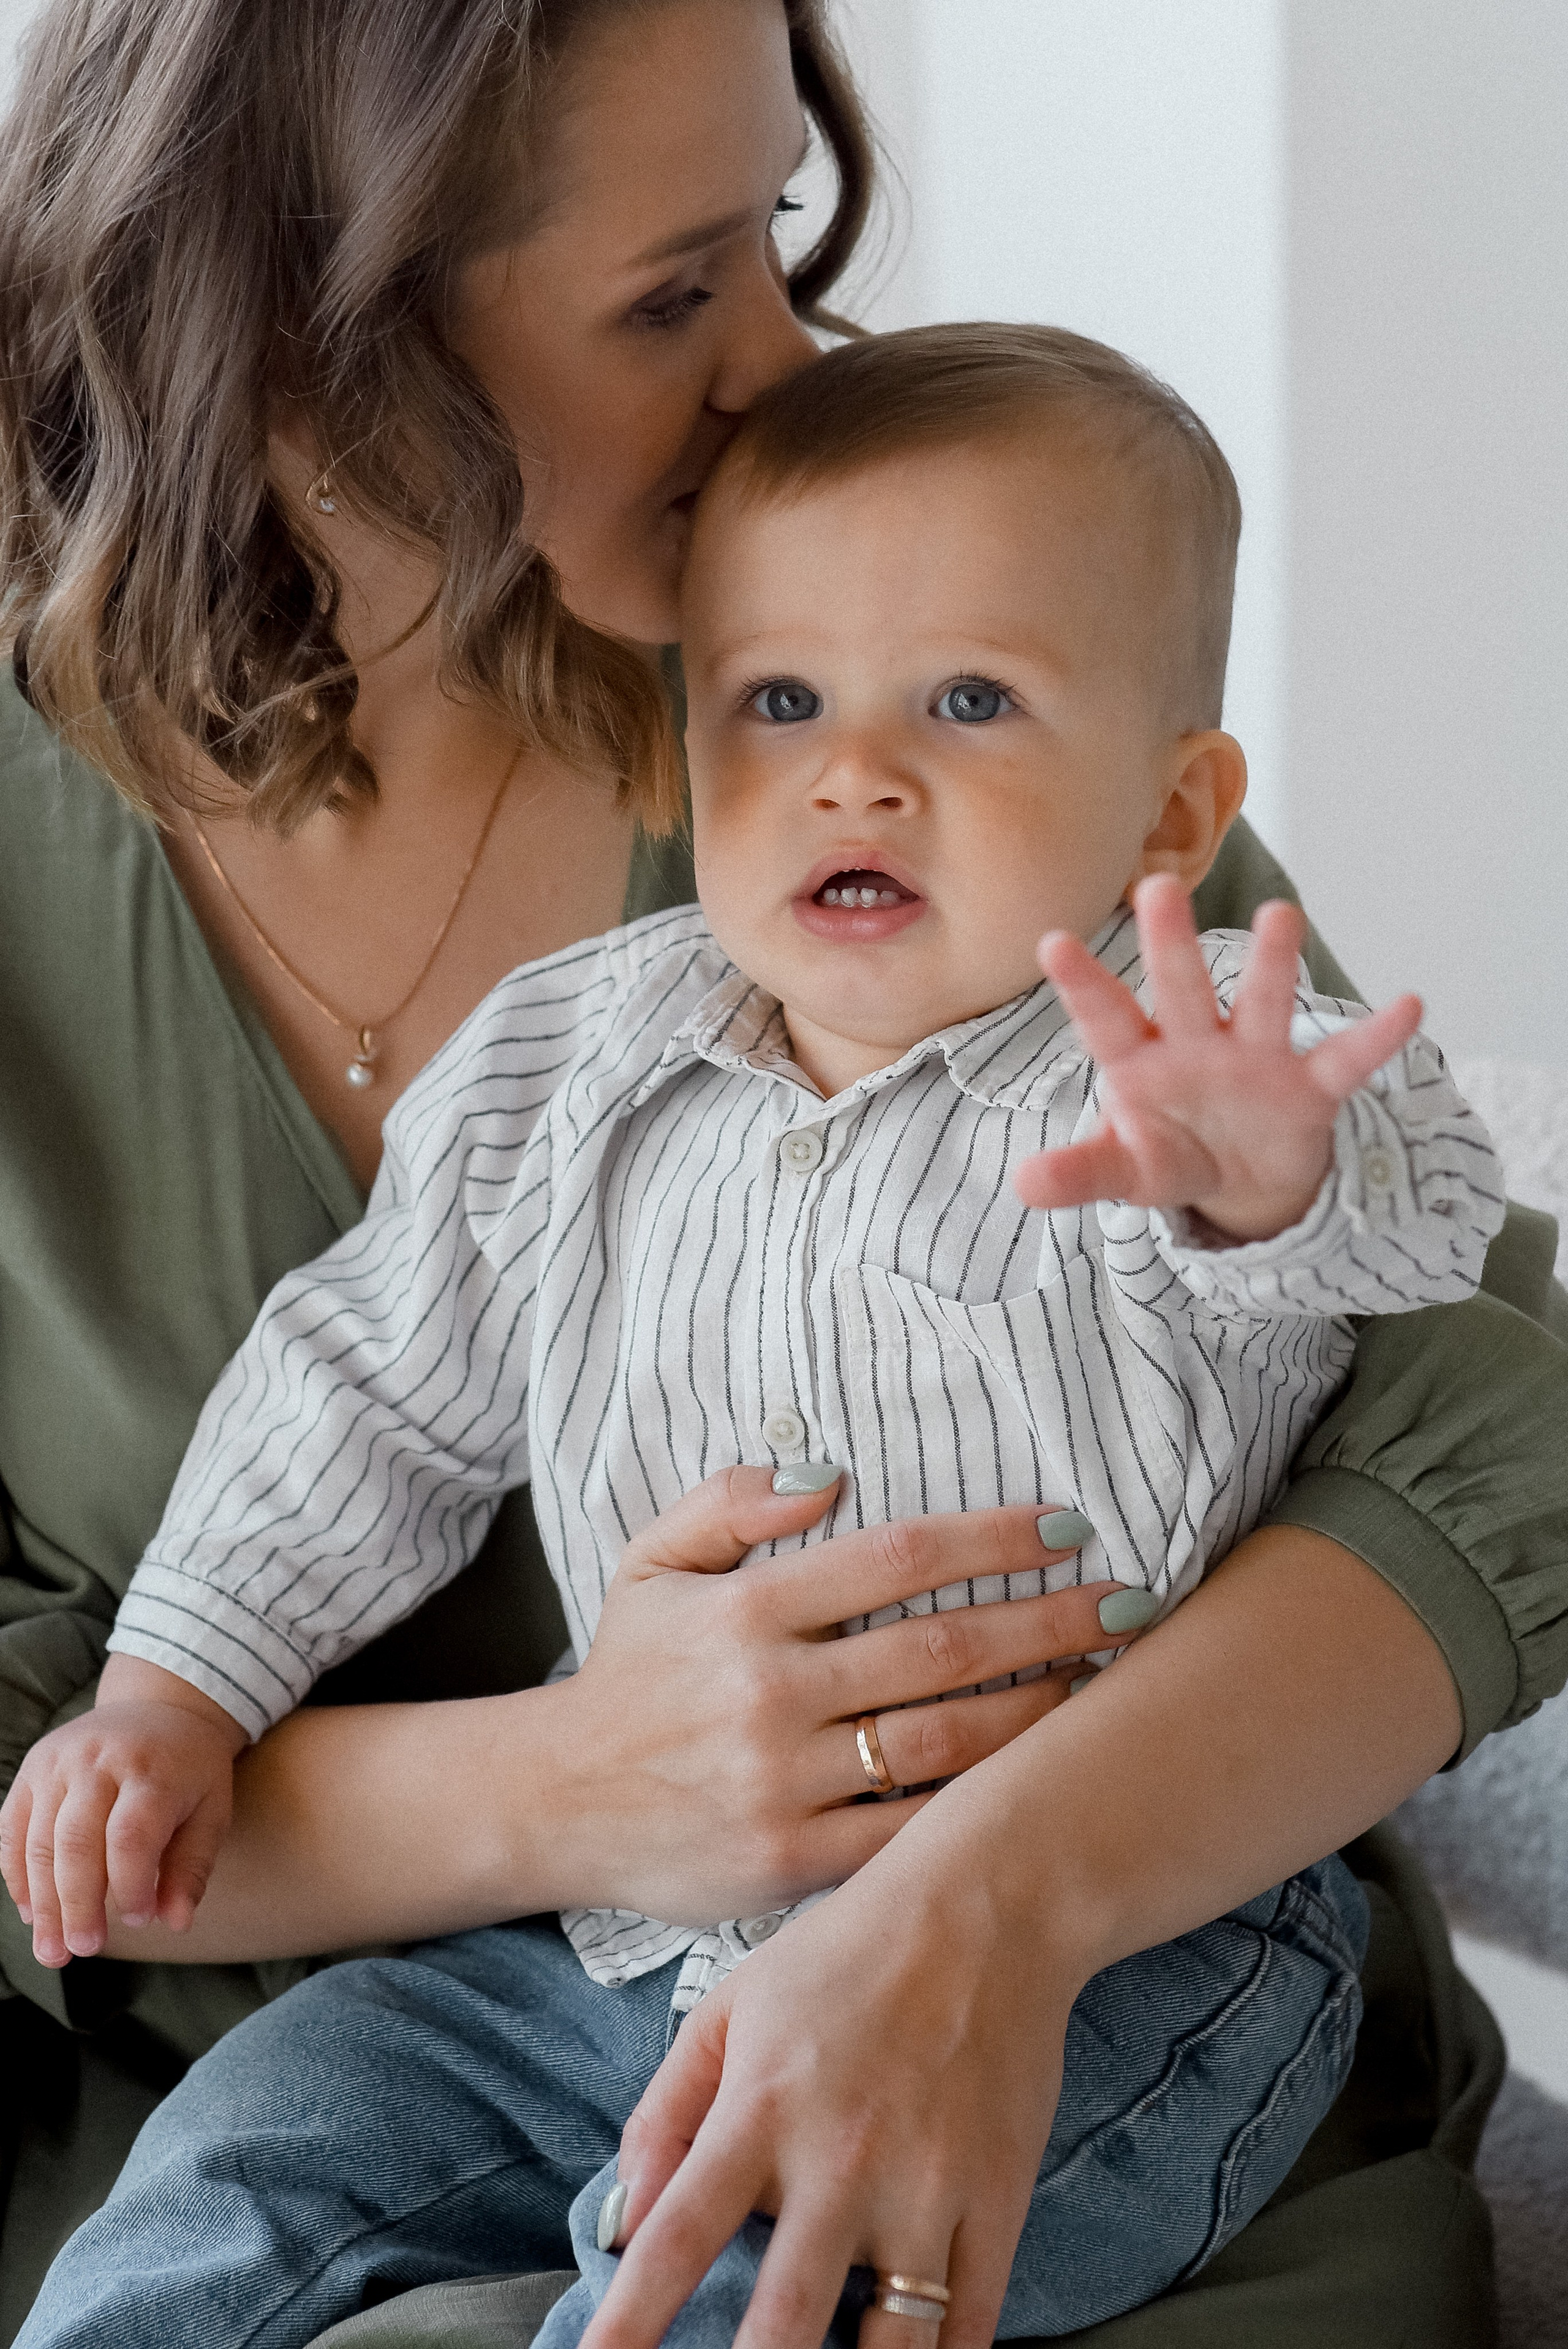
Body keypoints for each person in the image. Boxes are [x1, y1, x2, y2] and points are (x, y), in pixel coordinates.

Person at [0, 2, 1561, 2345]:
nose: (786, 361)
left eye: (776, 233)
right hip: (430, 2026)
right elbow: (333, 1414)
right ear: (314, 343)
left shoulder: (943, 670)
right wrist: (578, 1783)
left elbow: (1478, 1409)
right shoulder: (641, 957)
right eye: (670, 295)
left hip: (1104, 1996)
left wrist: (988, 1897)